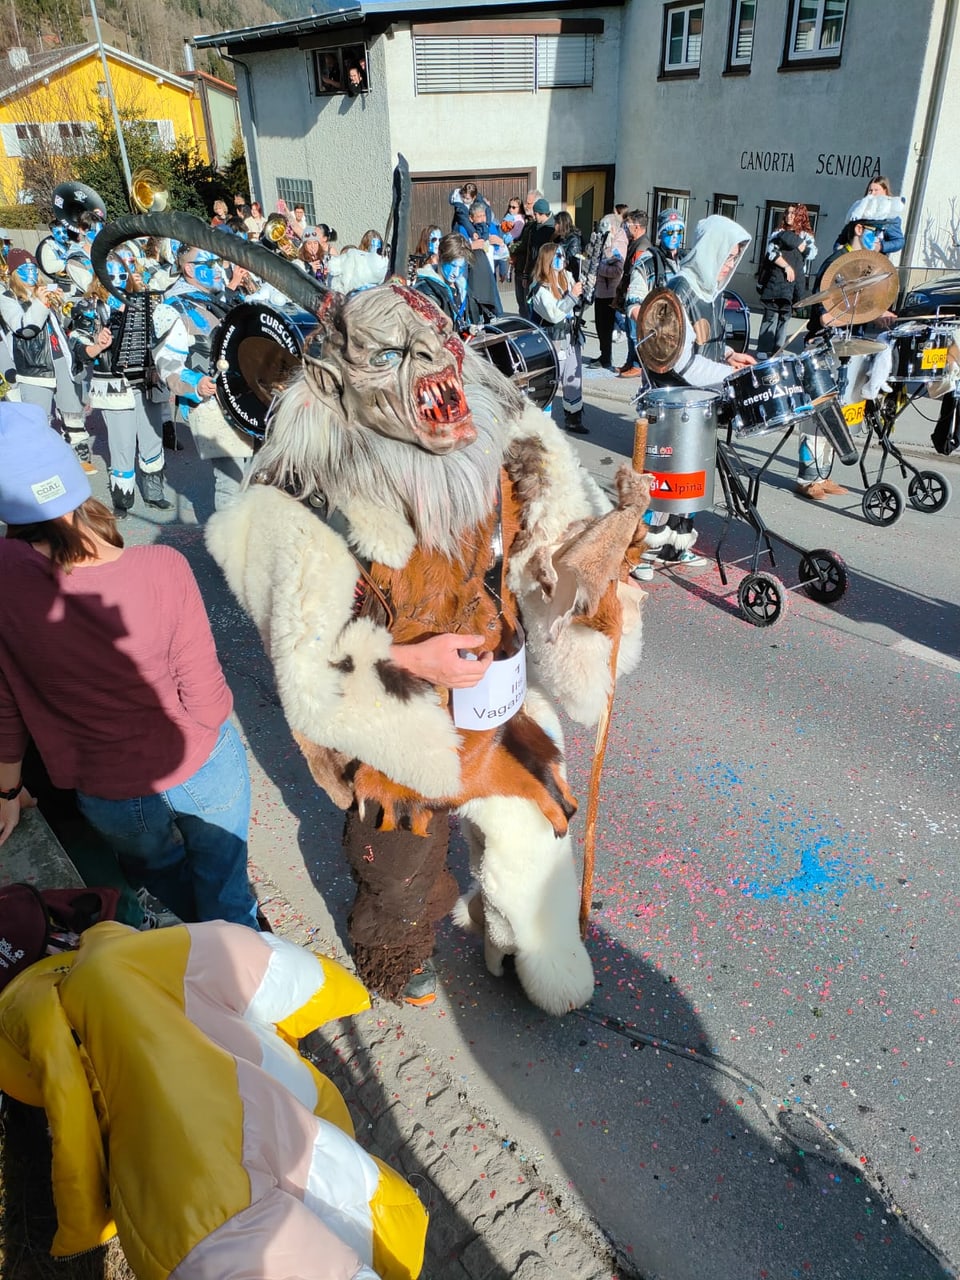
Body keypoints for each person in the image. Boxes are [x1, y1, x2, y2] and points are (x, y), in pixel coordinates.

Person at [206, 281, 651, 1012]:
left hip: (494, 698)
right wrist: (412, 662)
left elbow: (556, 555)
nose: (428, 369)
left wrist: (607, 551)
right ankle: (394, 953)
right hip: (398, 725)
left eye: (432, 343)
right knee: (400, 870)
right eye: (394, 354)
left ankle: (520, 939)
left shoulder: (512, 439)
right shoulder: (302, 494)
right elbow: (308, 672)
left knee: (538, 826)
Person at [0, 403, 259, 929]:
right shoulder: (162, 568)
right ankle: (246, 976)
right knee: (226, 887)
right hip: (201, 763)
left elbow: (8, 705)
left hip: (109, 790)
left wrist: (6, 791)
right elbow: (208, 704)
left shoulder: (7, 585)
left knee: (164, 879)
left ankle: (194, 953)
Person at [633, 215, 756, 576]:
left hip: (700, 400)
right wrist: (729, 375)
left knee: (691, 477)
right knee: (662, 481)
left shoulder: (710, 292)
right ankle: (642, 551)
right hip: (668, 401)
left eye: (735, 259)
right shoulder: (678, 291)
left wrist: (730, 356)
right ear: (712, 250)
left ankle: (676, 545)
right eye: (727, 256)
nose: (729, 265)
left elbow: (707, 343)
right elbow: (682, 362)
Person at [798, 195, 900, 501]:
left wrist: (879, 315)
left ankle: (824, 473)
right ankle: (807, 477)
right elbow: (824, 315)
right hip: (823, 346)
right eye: (875, 231)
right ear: (858, 229)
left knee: (840, 412)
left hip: (848, 349)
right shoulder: (836, 265)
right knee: (819, 416)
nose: (880, 238)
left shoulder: (864, 268)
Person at [67, 261, 171, 518]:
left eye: (123, 273)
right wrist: (98, 346)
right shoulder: (89, 305)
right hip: (114, 383)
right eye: (111, 273)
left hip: (146, 380)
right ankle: (123, 498)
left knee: (152, 437)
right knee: (123, 443)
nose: (118, 278)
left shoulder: (144, 301)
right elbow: (78, 347)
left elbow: (162, 335)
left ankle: (154, 493)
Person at [152, 244, 250, 512]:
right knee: (231, 483)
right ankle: (229, 551)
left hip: (242, 401)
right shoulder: (173, 308)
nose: (218, 268)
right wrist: (195, 384)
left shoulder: (222, 299)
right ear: (189, 269)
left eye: (218, 261)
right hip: (209, 405)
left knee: (252, 481)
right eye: (209, 263)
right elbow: (167, 363)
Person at [0, 250, 96, 474]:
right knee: (37, 417)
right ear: (14, 273)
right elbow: (25, 328)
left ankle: (79, 453)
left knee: (73, 410)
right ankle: (39, 462)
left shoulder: (46, 292)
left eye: (34, 268)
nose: (31, 273)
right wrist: (40, 302)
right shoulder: (7, 298)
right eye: (25, 270)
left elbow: (63, 325)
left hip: (60, 357)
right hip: (33, 367)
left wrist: (69, 308)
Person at [530, 240, 586, 433]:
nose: (563, 260)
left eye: (563, 255)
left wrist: (586, 293)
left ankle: (573, 419)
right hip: (551, 340)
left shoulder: (566, 278)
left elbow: (578, 306)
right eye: (558, 256)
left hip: (571, 336)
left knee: (573, 380)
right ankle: (543, 428)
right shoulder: (539, 289)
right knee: (550, 382)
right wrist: (572, 296)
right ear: (548, 260)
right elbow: (553, 315)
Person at [623, 208, 686, 367]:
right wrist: (655, 331)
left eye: (679, 231)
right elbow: (633, 303)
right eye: (669, 232)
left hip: (685, 342)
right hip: (659, 344)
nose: (675, 236)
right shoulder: (647, 261)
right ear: (660, 233)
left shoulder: (687, 262)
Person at [755, 203, 817, 358]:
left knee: (785, 317)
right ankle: (763, 348)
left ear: (800, 216)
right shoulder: (778, 232)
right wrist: (787, 267)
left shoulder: (805, 236)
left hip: (794, 283)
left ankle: (778, 349)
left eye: (793, 213)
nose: (789, 216)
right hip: (776, 278)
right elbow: (771, 252)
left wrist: (803, 247)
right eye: (788, 213)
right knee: (771, 314)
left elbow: (812, 254)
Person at [584, 213, 628, 373]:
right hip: (602, 289)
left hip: (610, 291)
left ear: (613, 228)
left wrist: (598, 268)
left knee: (605, 326)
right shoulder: (607, 240)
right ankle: (603, 355)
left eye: (604, 226)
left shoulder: (619, 243)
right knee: (601, 326)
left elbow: (617, 270)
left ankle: (606, 358)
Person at [615, 210, 653, 377]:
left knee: (634, 333)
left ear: (637, 227)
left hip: (637, 296)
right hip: (628, 293)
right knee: (631, 333)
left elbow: (636, 273)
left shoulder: (642, 247)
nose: (626, 228)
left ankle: (637, 365)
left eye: (628, 225)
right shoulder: (636, 242)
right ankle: (630, 362)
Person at [510, 188, 542, 319]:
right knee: (521, 305)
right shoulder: (527, 221)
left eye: (529, 203)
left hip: (529, 272)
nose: (526, 206)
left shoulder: (536, 225)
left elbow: (524, 245)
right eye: (526, 203)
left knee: (528, 307)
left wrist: (511, 247)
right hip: (520, 269)